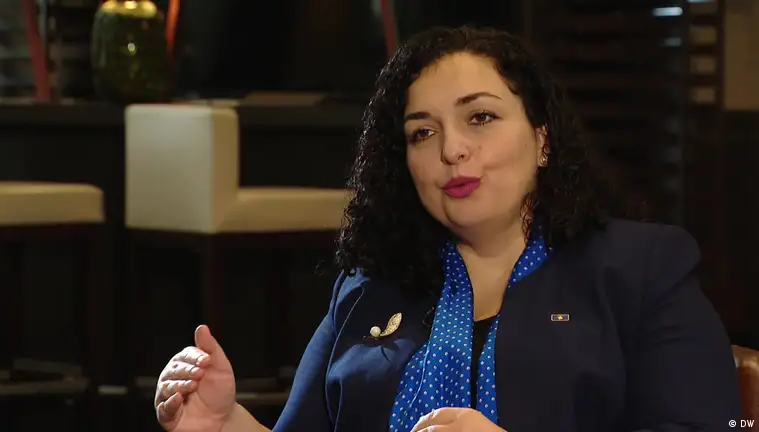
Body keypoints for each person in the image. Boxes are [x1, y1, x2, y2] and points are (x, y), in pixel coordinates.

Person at [153, 26, 741, 432]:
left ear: (542, 139)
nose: (452, 150)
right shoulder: (368, 287)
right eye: (423, 132)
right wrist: (223, 421)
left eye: (480, 117)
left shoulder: (643, 269)